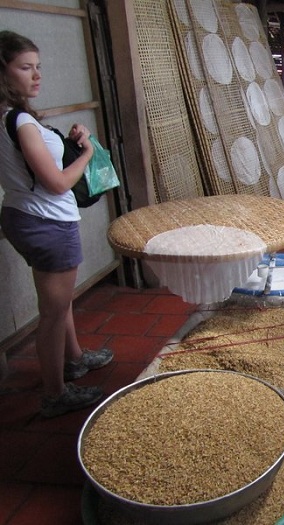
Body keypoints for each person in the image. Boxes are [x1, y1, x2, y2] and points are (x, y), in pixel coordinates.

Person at [0, 31, 113, 418]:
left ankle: (75, 358)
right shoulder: (19, 122)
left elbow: (31, 166)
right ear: (3, 72)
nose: (36, 76)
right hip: (46, 221)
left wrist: (69, 141)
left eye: (38, 67)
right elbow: (57, 182)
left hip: (27, 216)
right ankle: (54, 392)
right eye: (25, 67)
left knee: (58, 301)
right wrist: (88, 152)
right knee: (52, 313)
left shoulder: (13, 119)